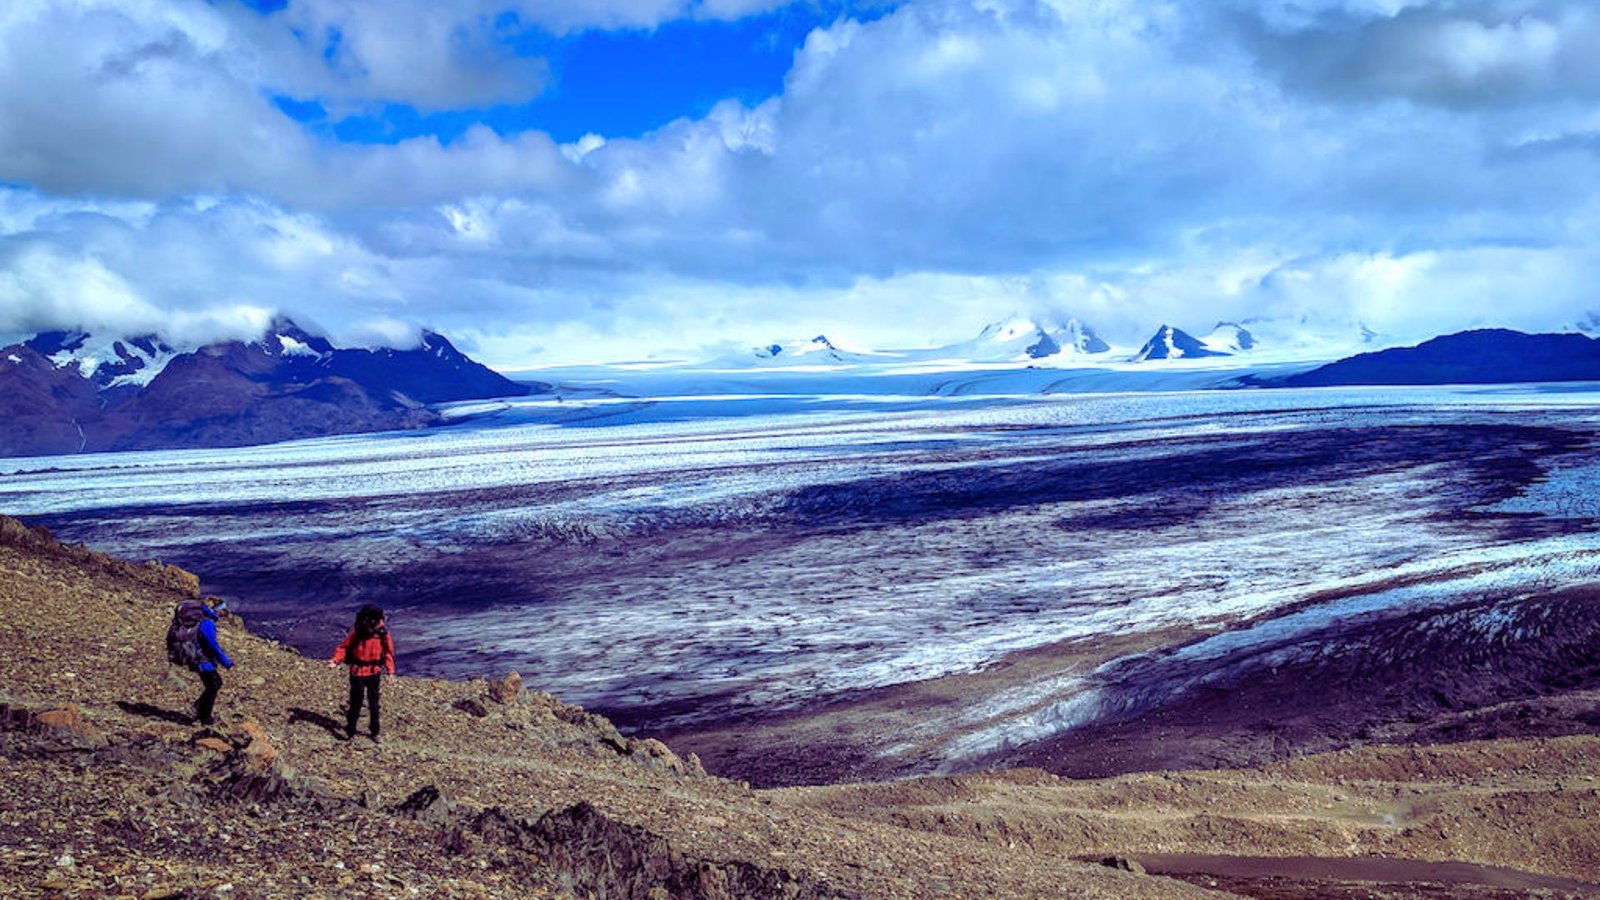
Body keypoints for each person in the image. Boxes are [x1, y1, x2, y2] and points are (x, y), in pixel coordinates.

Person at [327, 604, 395, 743]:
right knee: (356, 703)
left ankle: (375, 732)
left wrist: (390, 672)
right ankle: (350, 731)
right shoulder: (358, 633)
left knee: (374, 704)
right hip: (357, 673)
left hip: (374, 673)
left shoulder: (382, 634)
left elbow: (388, 653)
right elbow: (343, 647)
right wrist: (336, 660)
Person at [170, 597, 234, 727]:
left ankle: (200, 711)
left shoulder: (198, 619)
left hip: (196, 657)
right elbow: (212, 644)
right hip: (202, 660)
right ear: (216, 609)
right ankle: (204, 716)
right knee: (214, 685)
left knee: (213, 685)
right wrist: (225, 661)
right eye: (222, 611)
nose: (222, 615)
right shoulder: (206, 622)